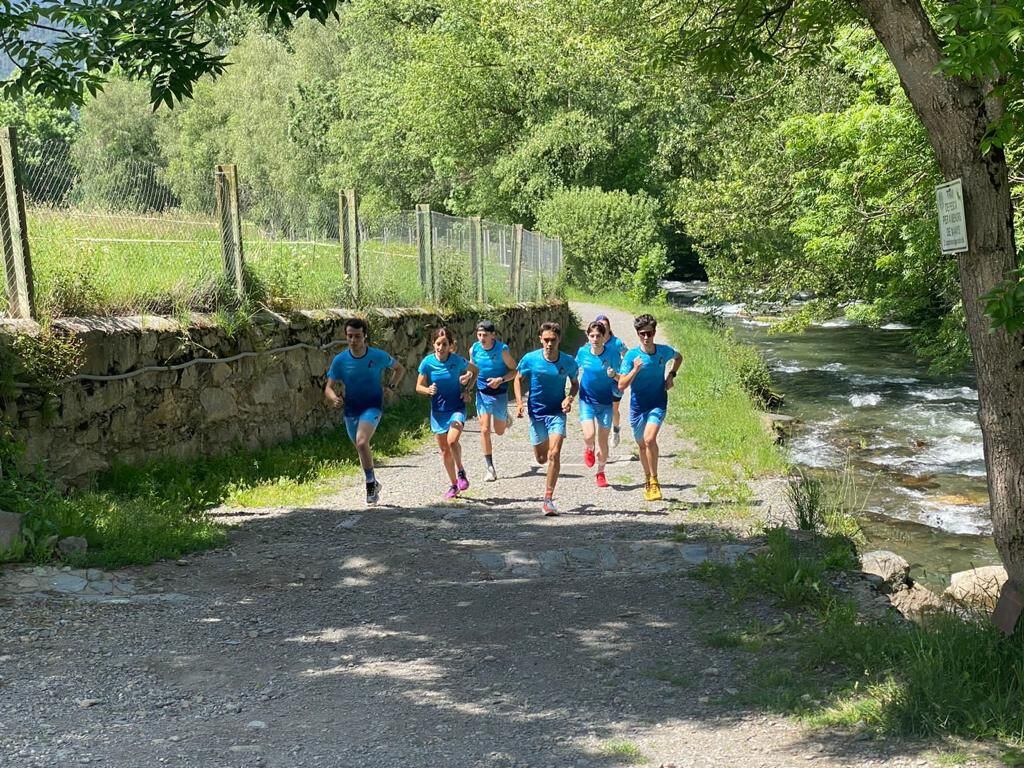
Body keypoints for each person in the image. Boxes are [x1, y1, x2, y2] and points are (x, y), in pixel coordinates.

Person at [324, 318, 405, 506]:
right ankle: (374, 482)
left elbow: (399, 368)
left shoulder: (377, 356)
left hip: (372, 406)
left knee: (362, 441)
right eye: (350, 336)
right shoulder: (340, 360)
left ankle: (369, 484)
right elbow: (328, 387)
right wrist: (333, 397)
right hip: (351, 409)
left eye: (358, 336)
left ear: (365, 336)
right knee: (361, 447)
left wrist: (391, 386)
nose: (353, 341)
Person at [514, 321, 580, 516]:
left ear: (559, 339)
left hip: (557, 413)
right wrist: (519, 403)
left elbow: (575, 384)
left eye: (553, 340)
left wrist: (569, 398)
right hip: (536, 413)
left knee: (554, 453)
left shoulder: (568, 362)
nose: (549, 344)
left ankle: (548, 499)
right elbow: (518, 379)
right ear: (540, 340)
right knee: (541, 458)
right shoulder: (530, 359)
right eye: (546, 340)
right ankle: (548, 494)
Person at [617, 313, 682, 501]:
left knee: (649, 439)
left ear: (654, 332)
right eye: (642, 334)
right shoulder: (631, 356)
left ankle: (654, 480)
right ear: (637, 334)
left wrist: (671, 375)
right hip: (638, 407)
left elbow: (679, 358)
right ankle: (647, 479)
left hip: (658, 402)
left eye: (650, 333)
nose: (646, 337)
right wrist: (635, 369)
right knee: (641, 444)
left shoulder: (663, 351)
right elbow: (621, 384)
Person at [416, 327, 479, 499]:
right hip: (438, 412)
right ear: (433, 344)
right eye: (438, 344)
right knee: (444, 451)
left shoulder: (457, 360)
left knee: (452, 441)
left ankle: (460, 471)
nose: (441, 348)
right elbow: (418, 386)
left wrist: (467, 389)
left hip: (456, 408)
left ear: (450, 345)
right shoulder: (427, 363)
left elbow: (475, 371)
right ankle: (453, 485)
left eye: (445, 344)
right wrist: (427, 390)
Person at [575, 320, 622, 488]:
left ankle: (601, 472)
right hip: (586, 400)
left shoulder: (613, 354)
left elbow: (621, 379)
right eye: (592, 336)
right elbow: (573, 371)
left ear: (604, 337)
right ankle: (588, 448)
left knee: (603, 442)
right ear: (588, 337)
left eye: (598, 336)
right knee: (589, 435)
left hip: (605, 403)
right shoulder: (582, 352)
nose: (595, 339)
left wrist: (614, 375)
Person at [470, 320, 518, 482]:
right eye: (479, 335)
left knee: (499, 431)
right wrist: (466, 377)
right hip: (482, 392)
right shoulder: (474, 349)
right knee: (484, 430)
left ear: (493, 335)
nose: (481, 338)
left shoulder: (502, 350)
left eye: (485, 335)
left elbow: (514, 370)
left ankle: (505, 418)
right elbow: (473, 369)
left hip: (499, 393)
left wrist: (500, 379)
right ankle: (490, 468)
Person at [596, 314, 629, 448]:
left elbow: (627, 354)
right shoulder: (594, 341)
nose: (603, 328)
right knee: (602, 410)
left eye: (606, 326)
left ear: (609, 328)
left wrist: (624, 371)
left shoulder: (616, 343)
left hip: (615, 381)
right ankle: (602, 442)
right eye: (601, 326)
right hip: (600, 382)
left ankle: (615, 430)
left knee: (613, 409)